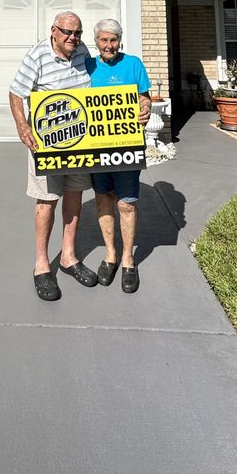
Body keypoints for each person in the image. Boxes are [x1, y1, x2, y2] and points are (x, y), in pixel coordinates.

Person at [9, 11, 98, 301]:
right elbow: (15, 92)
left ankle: (68, 257)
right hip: (47, 142)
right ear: (54, 31)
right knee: (47, 199)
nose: (73, 38)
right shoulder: (36, 56)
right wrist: (23, 125)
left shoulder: (82, 50)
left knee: (75, 194)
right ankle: (41, 265)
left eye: (78, 33)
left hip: (80, 140)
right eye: (67, 32)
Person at [87, 19, 151, 293]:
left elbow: (144, 97)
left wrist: (145, 109)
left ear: (120, 41)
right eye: (104, 40)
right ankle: (110, 254)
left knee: (126, 204)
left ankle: (128, 259)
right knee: (103, 200)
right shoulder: (88, 66)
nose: (109, 45)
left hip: (127, 146)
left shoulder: (133, 63)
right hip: (97, 147)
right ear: (96, 42)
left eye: (113, 40)